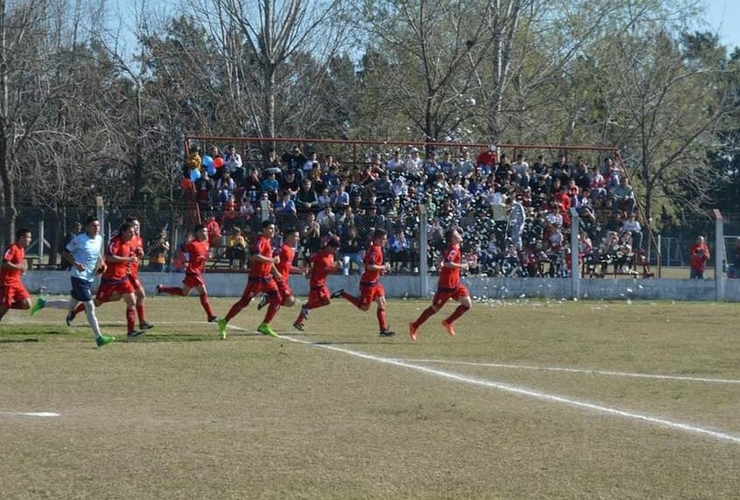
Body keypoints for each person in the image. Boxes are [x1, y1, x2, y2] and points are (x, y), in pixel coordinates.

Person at [29, 216, 115, 348]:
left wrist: (102, 263)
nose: (96, 228)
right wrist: (75, 264)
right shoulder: (79, 239)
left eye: (97, 226)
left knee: (70, 306)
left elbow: (97, 252)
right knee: (90, 306)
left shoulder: (99, 239)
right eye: (93, 225)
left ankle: (43, 303)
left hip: (89, 277)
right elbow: (65, 252)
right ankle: (99, 338)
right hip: (78, 277)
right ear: (87, 227)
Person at [66, 217, 153, 332]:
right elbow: (110, 257)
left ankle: (132, 331)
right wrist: (128, 259)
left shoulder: (136, 239)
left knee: (133, 300)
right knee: (98, 302)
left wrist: (139, 254)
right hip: (111, 278)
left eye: (137, 227)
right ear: (125, 230)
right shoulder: (116, 242)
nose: (135, 231)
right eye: (132, 228)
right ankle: (75, 311)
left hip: (125, 276)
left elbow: (134, 254)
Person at [217, 220, 282, 340]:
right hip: (257, 279)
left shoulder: (268, 241)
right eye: (270, 229)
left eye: (273, 229)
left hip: (267, 278)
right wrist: (272, 260)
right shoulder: (261, 240)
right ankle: (224, 322)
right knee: (244, 302)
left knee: (277, 299)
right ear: (264, 229)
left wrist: (276, 272)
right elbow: (254, 256)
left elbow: (268, 258)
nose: (272, 231)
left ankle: (265, 325)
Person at [409, 227, 472, 341]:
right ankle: (414, 325)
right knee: (434, 309)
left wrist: (441, 262)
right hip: (446, 286)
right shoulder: (453, 249)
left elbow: (443, 261)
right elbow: (447, 263)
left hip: (455, 285)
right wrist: (462, 266)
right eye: (457, 234)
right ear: (453, 238)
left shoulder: (453, 248)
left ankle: (448, 322)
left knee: (467, 304)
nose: (460, 235)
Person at [333, 228, 395, 337]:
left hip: (375, 282)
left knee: (382, 303)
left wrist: (381, 271)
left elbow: (371, 265)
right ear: (377, 239)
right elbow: (368, 266)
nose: (385, 241)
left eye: (386, 239)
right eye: (383, 239)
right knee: (364, 307)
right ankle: (343, 294)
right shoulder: (374, 250)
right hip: (368, 283)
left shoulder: (379, 248)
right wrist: (382, 267)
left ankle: (383, 330)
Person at [156, 224, 218, 322]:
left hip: (196, 272)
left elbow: (203, 256)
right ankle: (210, 316)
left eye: (206, 231)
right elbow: (182, 254)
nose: (206, 233)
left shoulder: (206, 243)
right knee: (203, 292)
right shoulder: (192, 244)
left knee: (184, 293)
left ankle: (161, 289)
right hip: (193, 272)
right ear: (198, 233)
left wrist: (207, 256)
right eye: (204, 231)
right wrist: (183, 262)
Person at [292, 238, 342, 331]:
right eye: (334, 249)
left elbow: (329, 270)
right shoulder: (319, 254)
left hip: (322, 281)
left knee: (311, 303)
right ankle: (305, 308)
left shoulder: (331, 256)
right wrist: (308, 271)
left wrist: (336, 267)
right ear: (329, 246)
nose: (335, 251)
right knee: (326, 301)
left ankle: (298, 322)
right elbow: (308, 260)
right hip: (316, 283)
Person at [257, 228, 307, 311]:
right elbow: (271, 261)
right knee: (290, 301)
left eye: (298, 237)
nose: (298, 239)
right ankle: (269, 300)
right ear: (289, 237)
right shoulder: (282, 249)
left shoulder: (292, 251)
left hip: (284, 279)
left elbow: (287, 267)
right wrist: (276, 273)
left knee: (287, 302)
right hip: (278, 280)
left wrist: (300, 270)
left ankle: (269, 299)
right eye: (296, 236)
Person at [0, 228, 33, 321]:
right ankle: (4, 305)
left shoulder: (21, 249)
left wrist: (21, 270)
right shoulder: (12, 248)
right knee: (3, 309)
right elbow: (4, 263)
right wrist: (19, 268)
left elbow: (18, 265)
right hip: (7, 282)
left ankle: (4, 304)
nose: (30, 239)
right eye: (29, 237)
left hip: (17, 282)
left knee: (27, 304)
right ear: (22, 238)